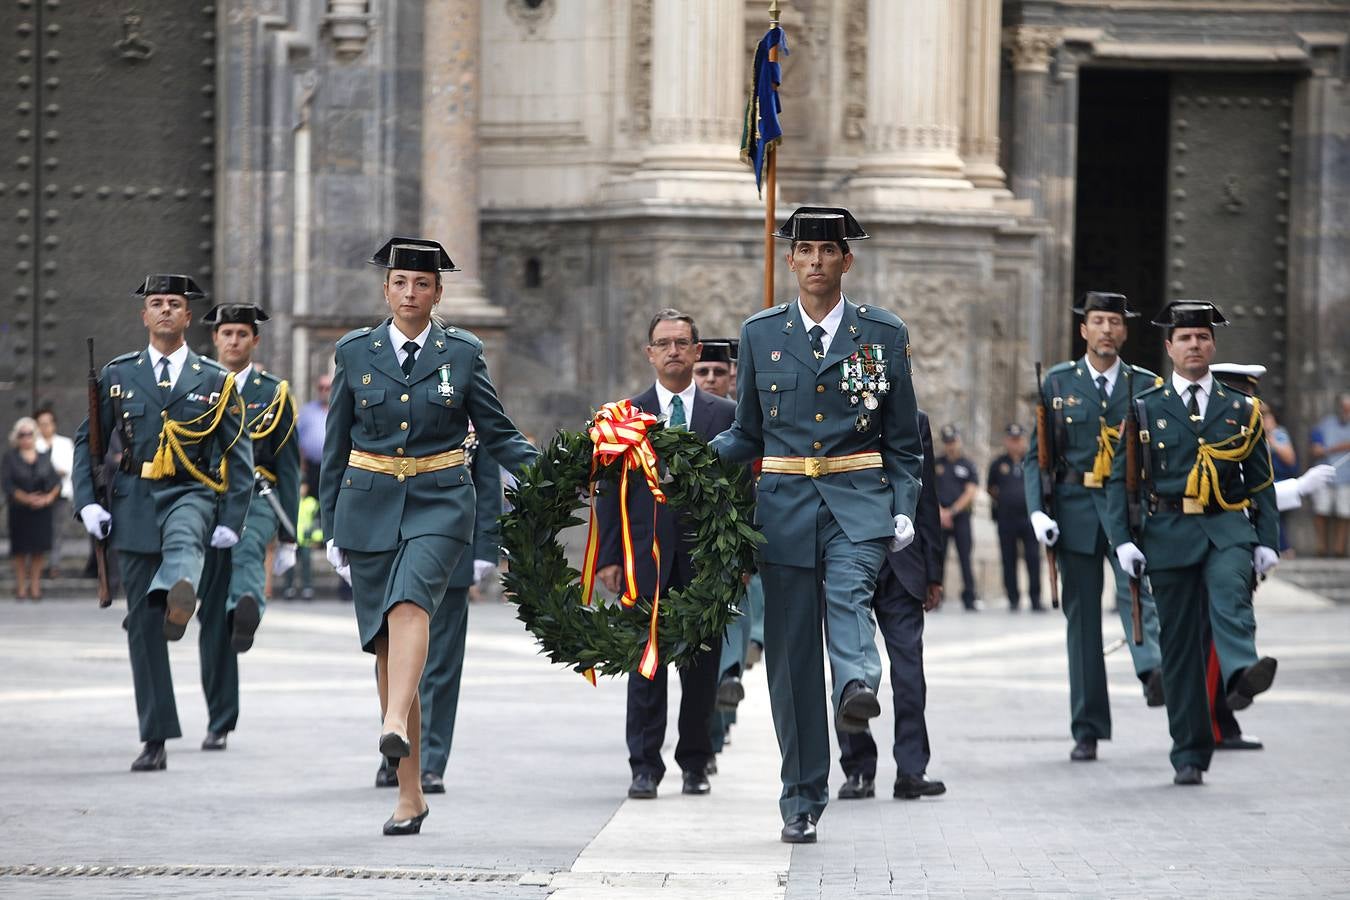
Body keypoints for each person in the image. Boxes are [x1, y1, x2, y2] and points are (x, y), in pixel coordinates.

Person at [710, 206, 923, 844]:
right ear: (791, 260)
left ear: (845, 260)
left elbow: (903, 441)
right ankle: (801, 797)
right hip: (783, 510)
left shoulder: (882, 333)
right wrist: (681, 455)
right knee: (792, 659)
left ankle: (857, 684)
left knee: (851, 593)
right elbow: (746, 433)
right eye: (805, 251)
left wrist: (904, 505)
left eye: (828, 251)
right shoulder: (760, 334)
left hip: (858, 502)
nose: (816, 261)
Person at [320, 237, 536, 835]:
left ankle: (392, 721)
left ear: (438, 293)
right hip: (367, 505)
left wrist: (558, 471)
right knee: (388, 650)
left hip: (440, 503)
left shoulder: (462, 353)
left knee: (411, 604)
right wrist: (331, 525)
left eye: (422, 284)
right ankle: (409, 795)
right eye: (400, 283)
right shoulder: (354, 352)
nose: (410, 293)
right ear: (385, 290)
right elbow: (336, 444)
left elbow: (497, 432)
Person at [72, 273, 254, 772]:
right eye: (157, 303)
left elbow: (238, 452)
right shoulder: (117, 375)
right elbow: (88, 442)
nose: (166, 310)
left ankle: (177, 594)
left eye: (175, 303)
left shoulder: (213, 378)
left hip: (191, 490)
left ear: (188, 317)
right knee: (142, 627)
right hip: (133, 498)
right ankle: (155, 736)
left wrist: (233, 517)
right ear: (145, 315)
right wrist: (87, 503)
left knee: (183, 542)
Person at [1107, 300, 1279, 786]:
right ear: (1169, 347)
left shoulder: (1241, 408)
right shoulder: (1145, 407)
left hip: (1226, 527)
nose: (1194, 345)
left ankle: (1242, 671)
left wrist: (1267, 539)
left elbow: (1260, 480)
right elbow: (1122, 480)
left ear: (1213, 345)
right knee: (1180, 649)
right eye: (1185, 338)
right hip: (1168, 532)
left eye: (1203, 337)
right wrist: (1123, 541)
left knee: (1230, 592)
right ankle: (1189, 751)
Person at [594, 309, 736, 800]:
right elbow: (609, 491)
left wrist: (736, 561)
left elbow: (739, 489)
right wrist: (609, 556)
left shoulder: (725, 416)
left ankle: (695, 761)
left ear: (696, 351)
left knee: (701, 669)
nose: (673, 351)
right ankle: (644, 767)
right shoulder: (626, 417)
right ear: (649, 353)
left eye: (681, 343)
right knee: (644, 664)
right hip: (643, 558)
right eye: (663, 343)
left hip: (705, 561)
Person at [1024, 291, 1165, 764]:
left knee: (1138, 592)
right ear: (1084, 330)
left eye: (1115, 322)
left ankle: (1151, 670)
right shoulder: (1058, 382)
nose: (1107, 329)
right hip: (1076, 510)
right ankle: (1087, 727)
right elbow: (1036, 456)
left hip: (1128, 508)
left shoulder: (1145, 384)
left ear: (1124, 332)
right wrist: (1038, 511)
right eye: (1098, 321)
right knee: (1082, 623)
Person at [1206, 362, 1334, 752]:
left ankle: (1221, 722)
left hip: (1238, 544)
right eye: (1246, 397)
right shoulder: (1216, 433)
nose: (1252, 406)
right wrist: (1298, 488)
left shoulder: (1244, 431)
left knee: (1219, 637)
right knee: (1213, 640)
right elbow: (1241, 493)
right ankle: (1212, 724)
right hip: (1214, 545)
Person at [194, 302, 301, 751]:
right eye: (227, 333)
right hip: (206, 499)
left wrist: (290, 534)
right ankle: (219, 719)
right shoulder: (196, 386)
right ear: (215, 339)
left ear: (255, 340)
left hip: (256, 494)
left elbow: (289, 466)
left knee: (247, 547)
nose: (234, 341)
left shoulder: (273, 392)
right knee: (208, 616)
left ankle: (248, 605)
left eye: (242, 334)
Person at [375, 430, 501, 793]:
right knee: (391, 656)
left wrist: (486, 548)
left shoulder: (467, 406)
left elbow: (486, 482)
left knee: (442, 663)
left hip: (452, 542)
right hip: (394, 541)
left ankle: (431, 761)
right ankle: (396, 757)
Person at [835, 410, 945, 801]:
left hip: (902, 562)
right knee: (849, 670)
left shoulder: (914, 421)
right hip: (846, 556)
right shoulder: (832, 410)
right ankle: (858, 769)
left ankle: (912, 769)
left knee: (909, 671)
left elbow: (926, 496)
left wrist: (934, 571)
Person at [4, 417, 61, 599]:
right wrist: (27, 499)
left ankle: (35, 586)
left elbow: (56, 482)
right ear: (17, 437)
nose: (26, 438)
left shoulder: (44, 456)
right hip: (19, 510)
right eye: (22, 434)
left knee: (38, 549)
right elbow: (8, 484)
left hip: (42, 510)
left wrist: (47, 498)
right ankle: (21, 587)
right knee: (20, 550)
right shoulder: (10, 457)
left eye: (29, 434)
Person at [987, 423, 1042, 611]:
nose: (1015, 444)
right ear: (1006, 441)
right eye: (1012, 440)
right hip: (1006, 518)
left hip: (1029, 517)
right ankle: (1013, 597)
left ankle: (1035, 598)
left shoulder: (1032, 461)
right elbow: (991, 488)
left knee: (1033, 558)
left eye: (1018, 440)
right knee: (1008, 558)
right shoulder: (998, 463)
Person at [935, 425, 979, 611]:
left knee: (965, 558)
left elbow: (971, 492)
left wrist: (951, 512)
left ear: (959, 441)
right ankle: (937, 596)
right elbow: (928, 489)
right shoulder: (936, 464)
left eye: (953, 441)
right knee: (938, 558)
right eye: (947, 442)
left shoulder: (967, 464)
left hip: (961, 517)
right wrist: (940, 512)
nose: (951, 446)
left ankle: (969, 597)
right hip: (939, 517)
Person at [33, 407, 74, 577]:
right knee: (38, 529)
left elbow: (67, 468)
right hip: (37, 494)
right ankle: (37, 564)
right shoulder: (33, 443)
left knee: (57, 530)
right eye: (41, 424)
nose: (45, 427)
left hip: (61, 493)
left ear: (54, 424)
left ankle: (54, 565)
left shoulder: (65, 443)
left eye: (47, 423)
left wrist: (47, 471)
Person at [1309, 392, 1350, 557]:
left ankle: (1340, 548)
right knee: (1321, 511)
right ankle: (1321, 547)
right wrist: (1319, 447)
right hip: (1325, 474)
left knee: (1344, 513)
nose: (1346, 412)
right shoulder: (1327, 423)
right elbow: (1315, 444)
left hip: (1346, 477)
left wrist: (1328, 449)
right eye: (1345, 408)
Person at [298, 373, 331, 498]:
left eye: (328, 388)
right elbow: (298, 440)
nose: (324, 391)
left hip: (334, 466)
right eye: (321, 388)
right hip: (311, 468)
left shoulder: (341, 410)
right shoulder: (307, 411)